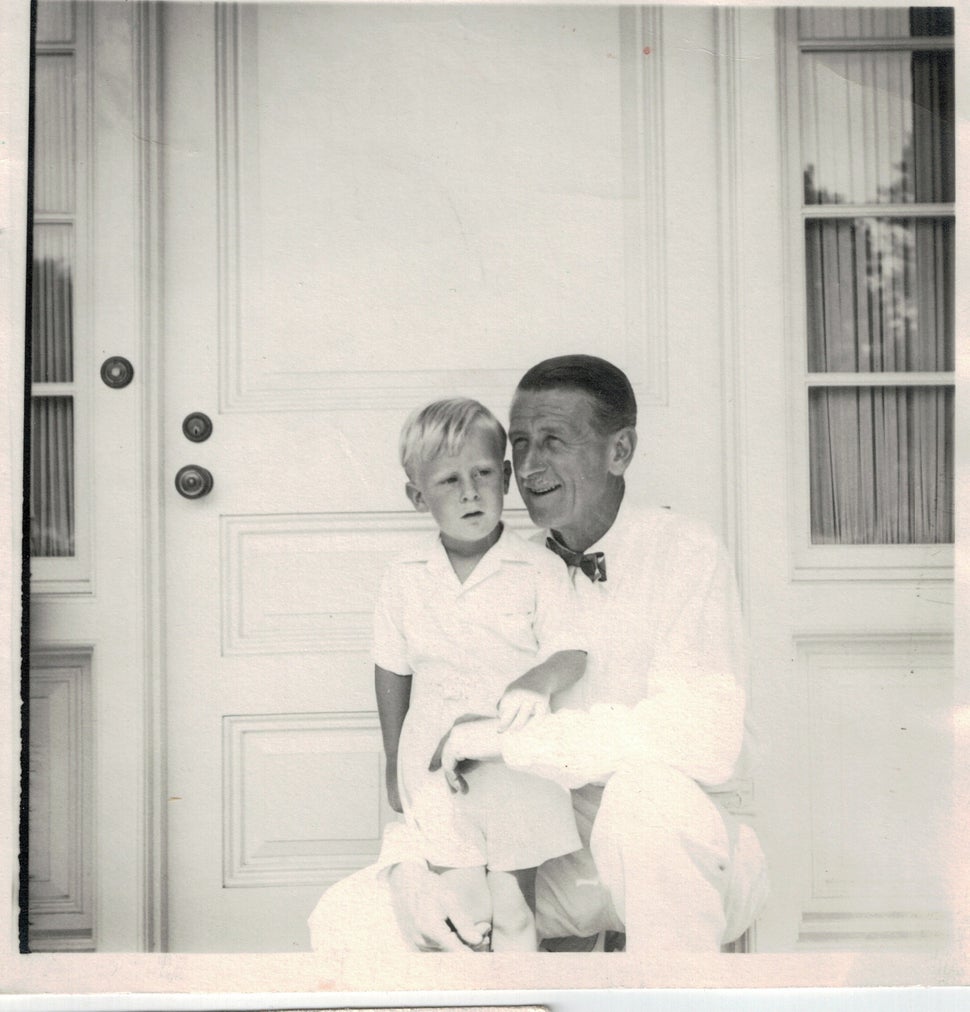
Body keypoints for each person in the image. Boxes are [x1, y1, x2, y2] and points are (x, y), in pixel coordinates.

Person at [308, 355, 768, 955]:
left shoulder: (682, 552)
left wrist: (512, 740)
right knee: (352, 914)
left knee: (645, 799)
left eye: (553, 441)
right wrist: (410, 868)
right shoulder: (506, 569)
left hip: (673, 856)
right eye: (520, 444)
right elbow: (440, 753)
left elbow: (705, 738)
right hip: (547, 849)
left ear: (619, 451)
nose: (528, 467)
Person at [373, 397, 586, 951]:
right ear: (417, 496)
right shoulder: (404, 577)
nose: (470, 492)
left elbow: (571, 651)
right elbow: (392, 669)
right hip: (436, 771)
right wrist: (394, 756)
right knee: (463, 914)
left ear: (507, 479)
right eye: (448, 481)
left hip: (514, 765)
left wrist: (536, 681)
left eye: (483, 474)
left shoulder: (537, 567)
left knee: (514, 914)